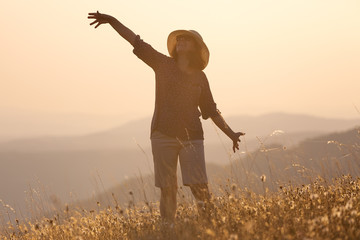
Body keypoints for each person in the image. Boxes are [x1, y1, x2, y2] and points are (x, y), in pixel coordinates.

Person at [88, 11, 245, 223]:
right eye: (179, 38)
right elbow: (135, 40)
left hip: (193, 136)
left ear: (196, 48)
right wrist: (113, 21)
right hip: (163, 135)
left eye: (186, 39)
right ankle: (168, 230)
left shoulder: (200, 76)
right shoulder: (162, 64)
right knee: (168, 188)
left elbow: (210, 110)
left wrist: (231, 133)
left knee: (200, 187)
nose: (181, 41)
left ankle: (210, 225)